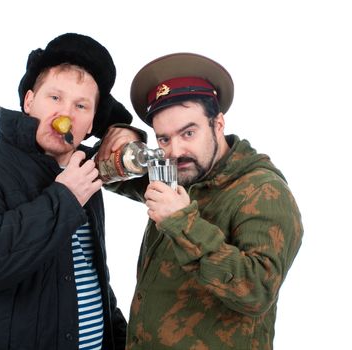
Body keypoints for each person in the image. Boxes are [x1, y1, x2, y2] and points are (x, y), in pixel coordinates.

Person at [98, 52, 303, 349]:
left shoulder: (263, 192)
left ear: (217, 123)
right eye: (164, 139)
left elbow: (257, 291)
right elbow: (105, 172)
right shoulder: (178, 172)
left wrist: (181, 223)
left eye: (188, 132)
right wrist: (125, 133)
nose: (176, 150)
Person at [0, 33, 131, 350]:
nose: (65, 115)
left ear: (90, 124)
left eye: (80, 105)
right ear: (29, 101)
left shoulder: (83, 174)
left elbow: (90, 270)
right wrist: (65, 198)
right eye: (55, 98)